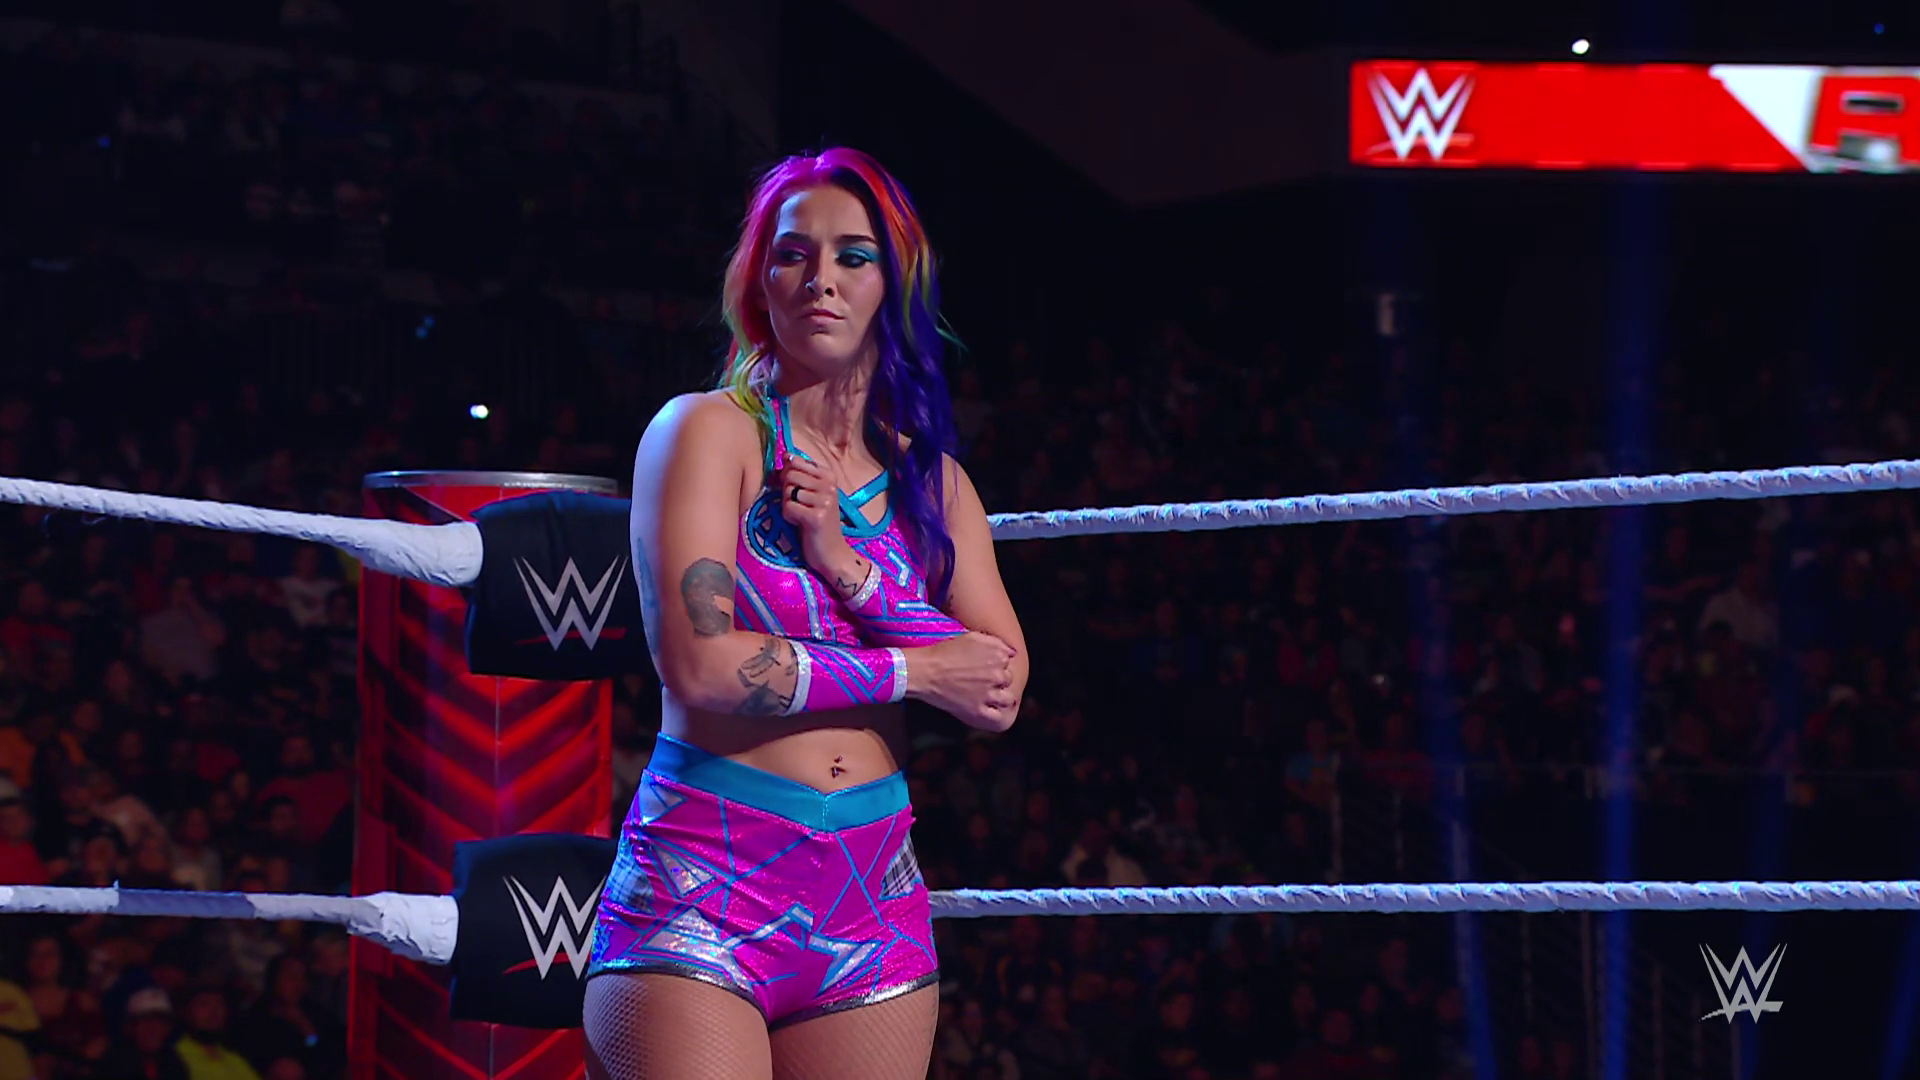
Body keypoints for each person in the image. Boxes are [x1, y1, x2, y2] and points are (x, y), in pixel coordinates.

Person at [582, 146, 1030, 1080]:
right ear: (760, 282)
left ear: (892, 286)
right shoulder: (707, 430)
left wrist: (846, 567)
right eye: (793, 254)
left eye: (852, 256)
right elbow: (701, 664)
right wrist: (916, 670)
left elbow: (997, 690)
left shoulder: (933, 484)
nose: (821, 278)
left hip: (873, 897)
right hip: (705, 880)